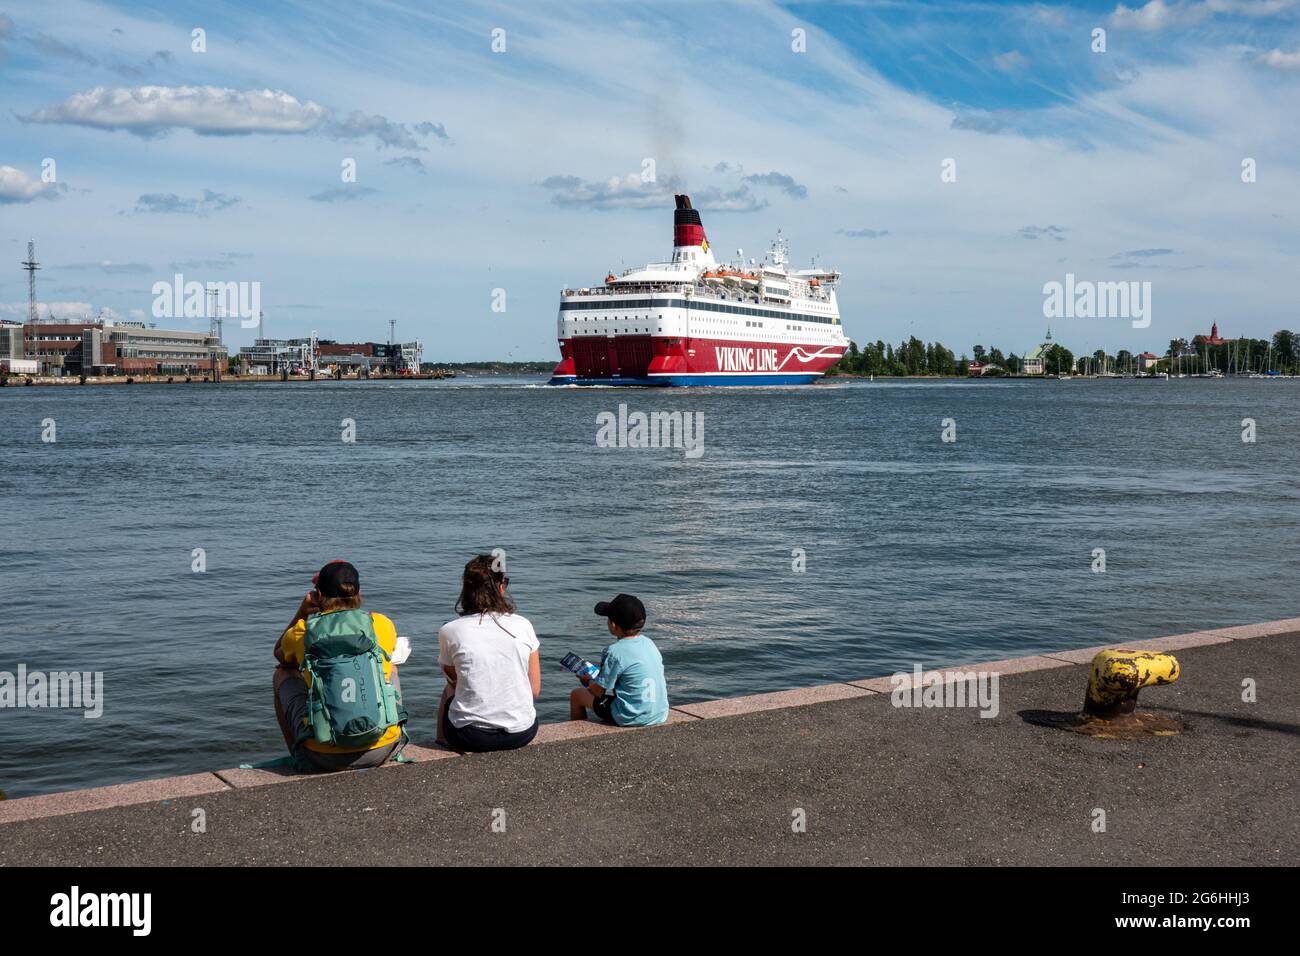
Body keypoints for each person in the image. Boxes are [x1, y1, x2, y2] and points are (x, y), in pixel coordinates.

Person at [273, 560, 406, 770]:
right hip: (383, 749)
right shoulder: (380, 623)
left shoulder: (303, 631)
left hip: (322, 755)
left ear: (318, 595)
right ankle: (388, 728)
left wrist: (302, 612)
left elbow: (279, 653)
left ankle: (299, 756)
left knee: (283, 673)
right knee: (390, 666)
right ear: (358, 592)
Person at [437, 555, 541, 752]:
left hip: (471, 737)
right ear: (501, 587)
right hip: (522, 733)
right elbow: (534, 690)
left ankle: (441, 743)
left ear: (466, 590)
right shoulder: (523, 625)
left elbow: (453, 679)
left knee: (449, 691)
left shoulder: (450, 630)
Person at [569, 593, 668, 726]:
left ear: (613, 624)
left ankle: (577, 733)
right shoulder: (649, 643)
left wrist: (587, 681)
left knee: (577, 695)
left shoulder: (614, 651)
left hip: (630, 717)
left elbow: (598, 692)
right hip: (658, 714)